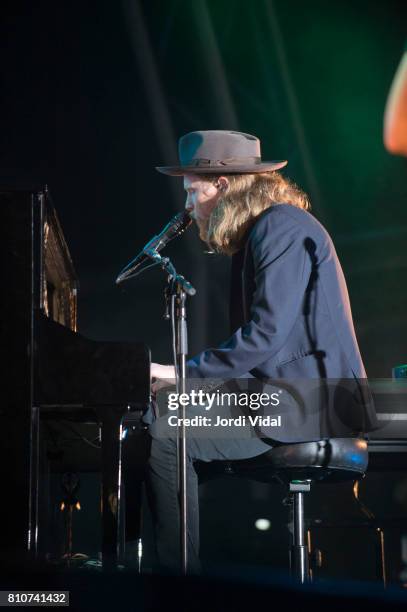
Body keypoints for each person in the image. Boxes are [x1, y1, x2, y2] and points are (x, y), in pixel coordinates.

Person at [148, 130, 377, 574]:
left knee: (164, 431)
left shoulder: (281, 226)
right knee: (161, 416)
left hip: (312, 402)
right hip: (283, 397)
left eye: (193, 192)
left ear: (224, 185)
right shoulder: (265, 232)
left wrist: (180, 373)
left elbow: (263, 336)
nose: (188, 207)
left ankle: (175, 584)